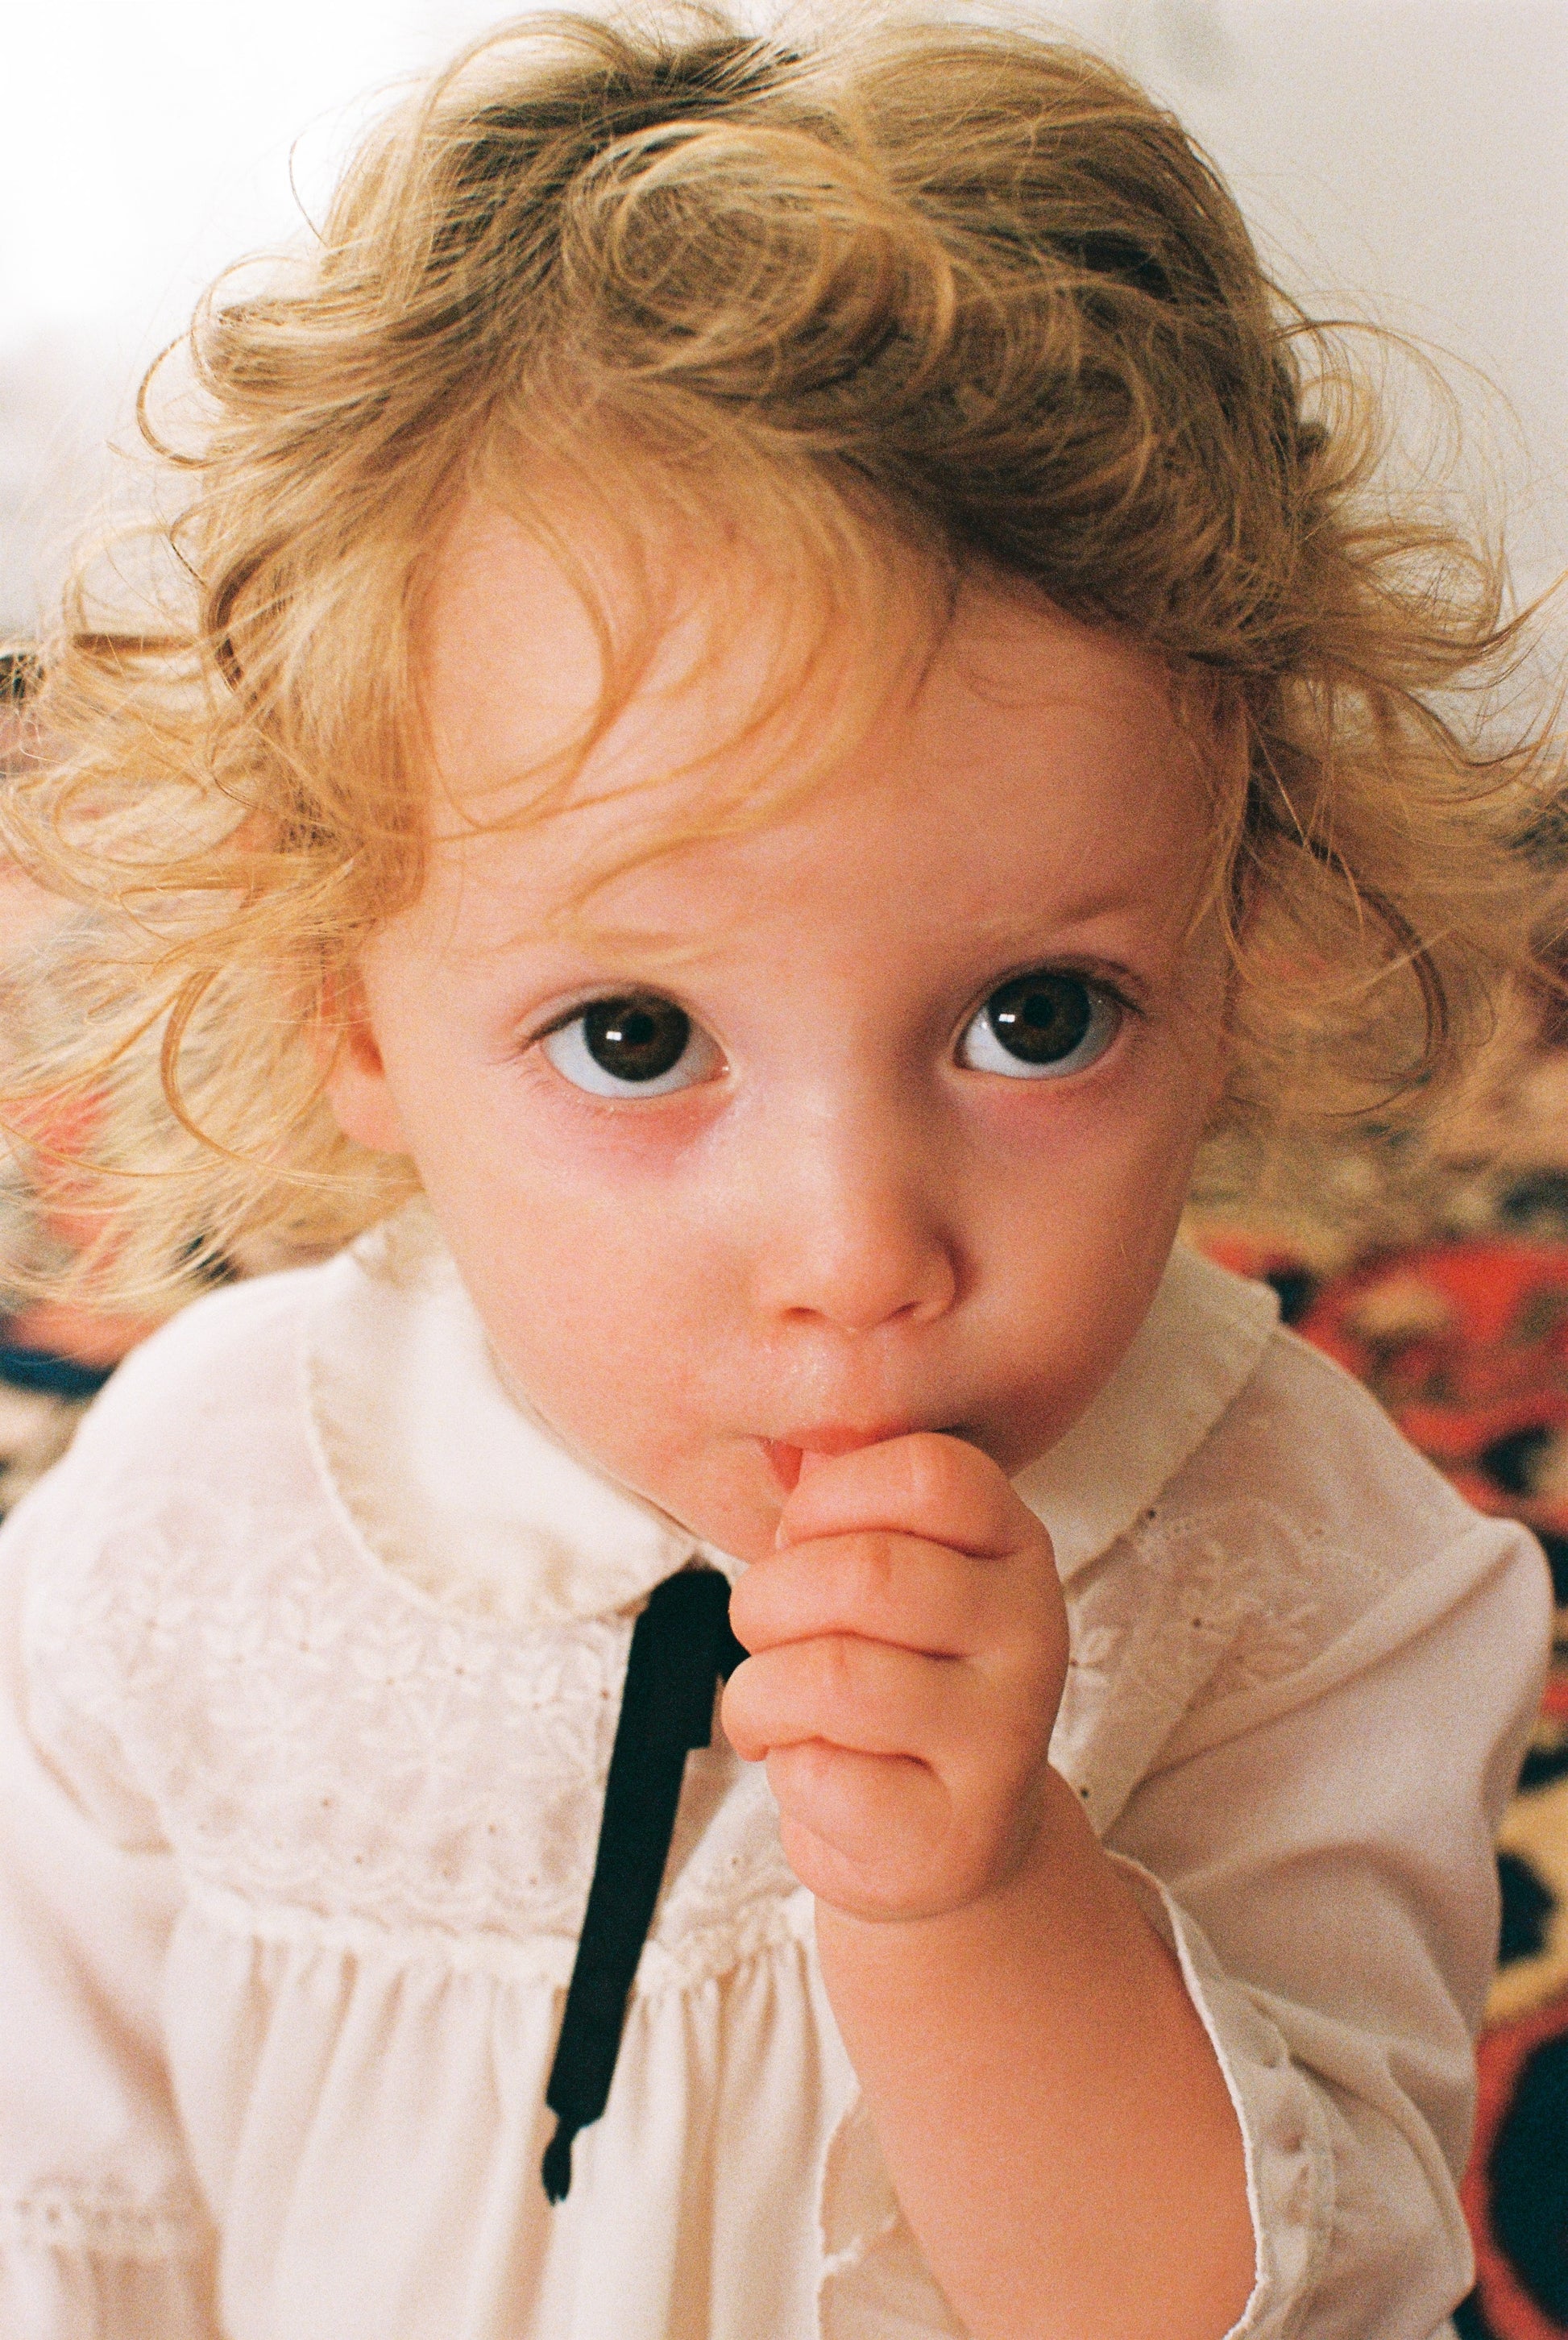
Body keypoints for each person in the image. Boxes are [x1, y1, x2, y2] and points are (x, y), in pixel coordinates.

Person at [0, 11, 1556, 2337]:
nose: (855, 1253)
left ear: (1236, 943)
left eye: (1036, 1017)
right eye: (636, 1040)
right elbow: (71, 2204)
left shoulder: (1309, 1590)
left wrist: (984, 1898)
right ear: (352, 1007)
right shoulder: (195, 1515)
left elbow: (1270, 2303)